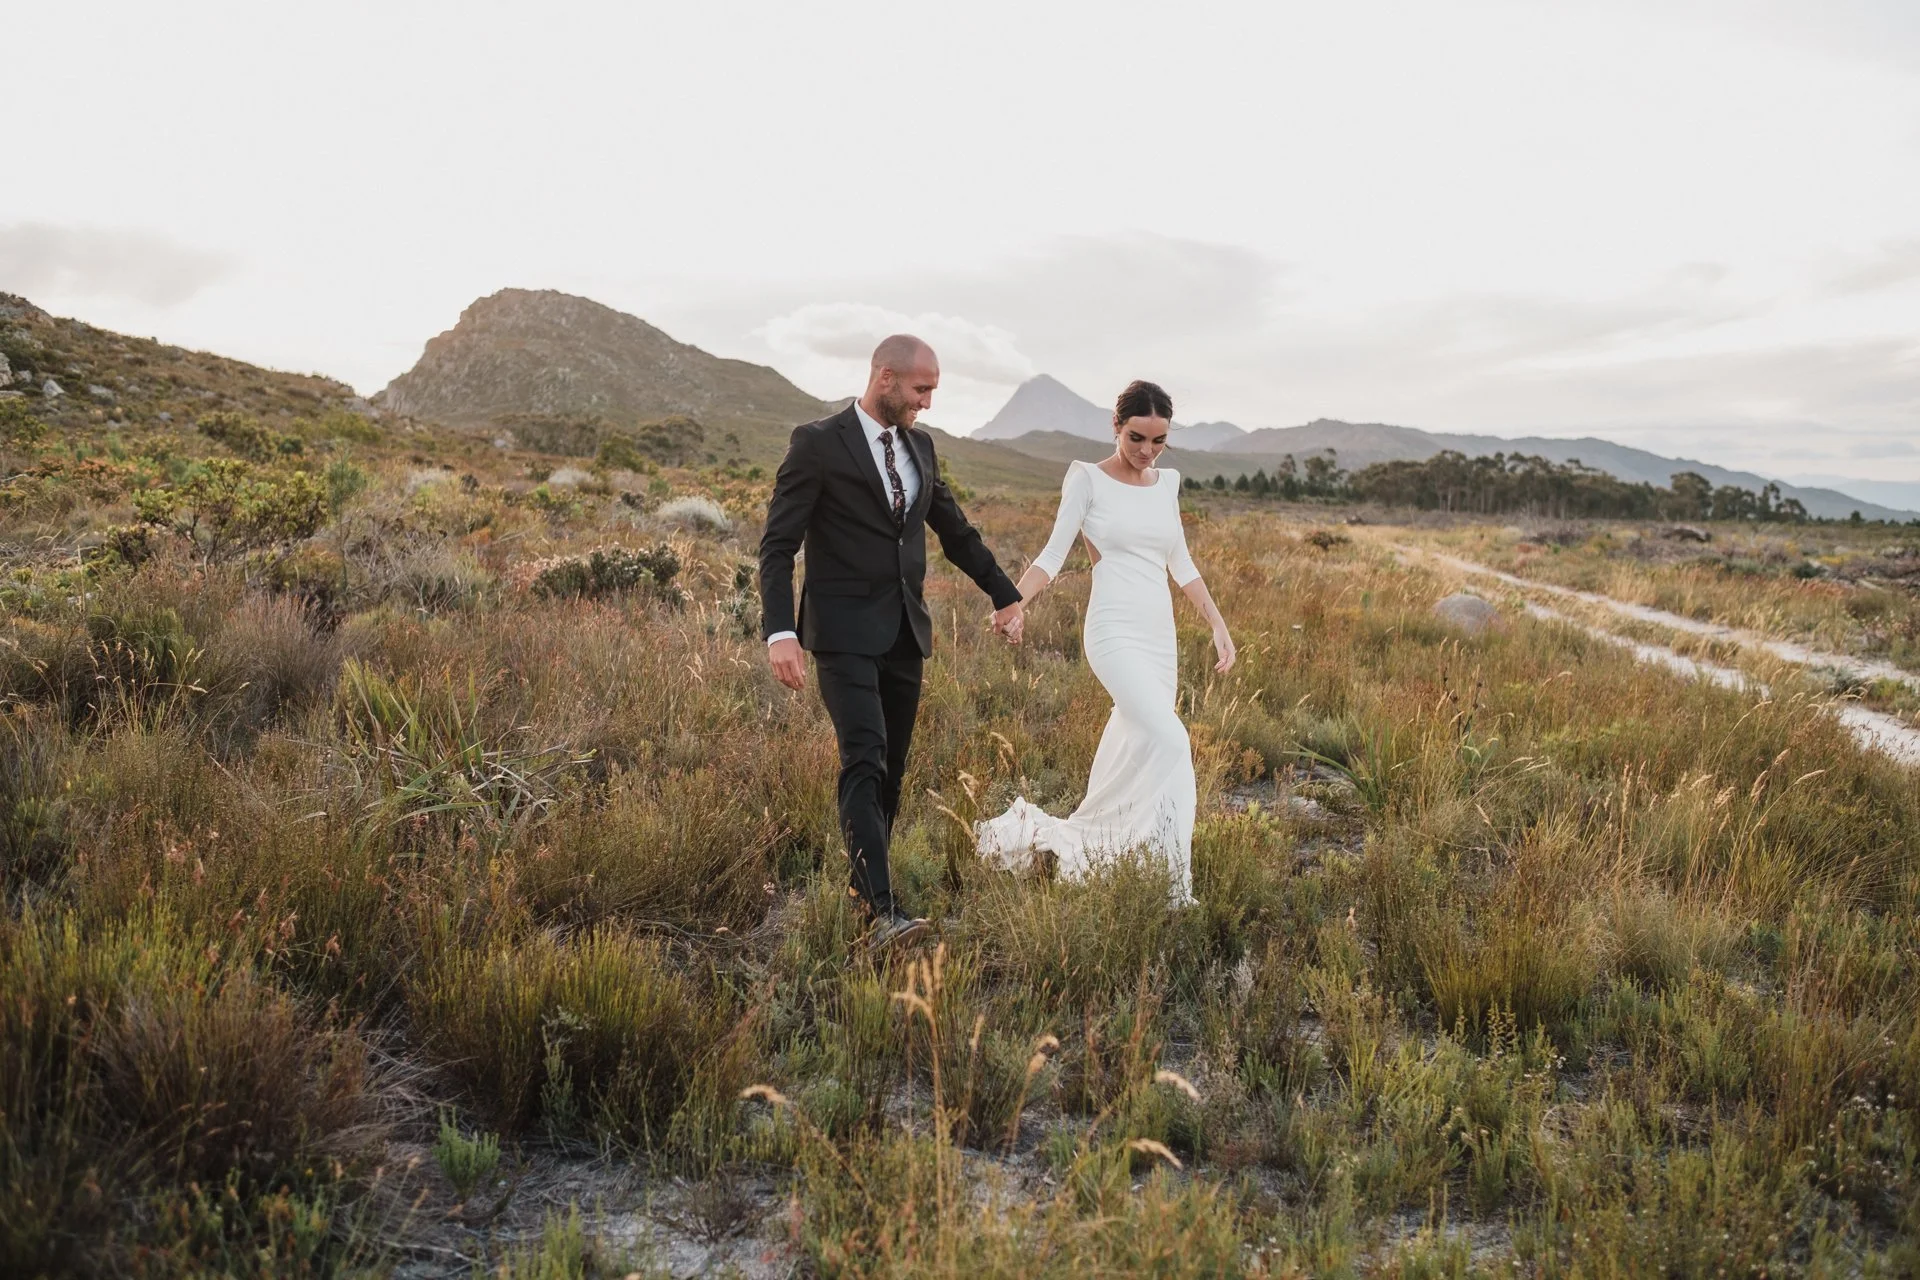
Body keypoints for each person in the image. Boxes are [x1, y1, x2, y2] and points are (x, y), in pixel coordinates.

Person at [760, 335, 1024, 949]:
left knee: (892, 772)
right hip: (842, 632)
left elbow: (955, 531)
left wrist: (1004, 593)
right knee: (865, 755)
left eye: (932, 390)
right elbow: (778, 546)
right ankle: (883, 914)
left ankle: (863, 892)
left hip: (906, 631)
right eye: (920, 389)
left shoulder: (921, 447)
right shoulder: (819, 443)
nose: (928, 403)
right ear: (885, 378)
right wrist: (781, 632)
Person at [974, 379, 1234, 905]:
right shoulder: (1087, 480)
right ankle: (1173, 889)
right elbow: (1051, 556)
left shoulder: (1167, 485)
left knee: (1141, 746)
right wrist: (1013, 604)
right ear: (1116, 426)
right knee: (1173, 742)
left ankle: (1122, 856)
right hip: (1112, 631)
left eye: (1158, 441)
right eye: (1137, 437)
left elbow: (1180, 563)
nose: (1146, 452)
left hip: (1160, 637)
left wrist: (1216, 622)